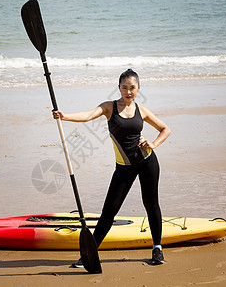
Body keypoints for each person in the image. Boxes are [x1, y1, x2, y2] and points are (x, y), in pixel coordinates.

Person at [52, 69, 171, 266]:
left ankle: (157, 249)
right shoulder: (109, 107)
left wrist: (154, 144)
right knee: (109, 211)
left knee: (151, 204)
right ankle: (89, 254)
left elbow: (165, 129)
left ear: (138, 88)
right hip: (124, 168)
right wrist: (65, 116)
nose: (128, 91)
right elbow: (89, 115)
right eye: (124, 87)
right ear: (119, 88)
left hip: (147, 162)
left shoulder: (142, 110)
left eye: (132, 87)